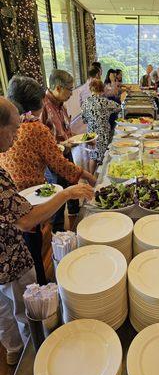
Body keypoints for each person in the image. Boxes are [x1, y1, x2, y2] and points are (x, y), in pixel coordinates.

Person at [0, 96, 93, 366]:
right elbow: (26, 220)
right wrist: (66, 194)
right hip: (9, 260)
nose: (17, 136)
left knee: (5, 313)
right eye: (14, 129)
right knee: (24, 311)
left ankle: (14, 352)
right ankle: (36, 359)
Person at [0, 76, 95, 284]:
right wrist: (83, 179)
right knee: (32, 249)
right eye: (14, 131)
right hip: (28, 202)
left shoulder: (21, 128)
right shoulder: (34, 128)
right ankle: (44, 285)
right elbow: (59, 165)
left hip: (18, 204)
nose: (16, 137)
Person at [41, 69, 81, 231]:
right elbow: (42, 141)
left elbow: (65, 130)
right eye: (70, 89)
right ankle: (58, 235)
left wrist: (77, 140)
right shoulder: (43, 106)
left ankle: (76, 217)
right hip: (52, 161)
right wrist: (64, 145)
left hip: (67, 152)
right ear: (58, 88)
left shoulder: (60, 105)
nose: (72, 93)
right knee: (58, 195)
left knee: (72, 185)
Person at [82, 79, 121, 173]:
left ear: (91, 89)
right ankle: (102, 176)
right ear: (102, 89)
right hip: (103, 132)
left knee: (92, 155)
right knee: (104, 155)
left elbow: (84, 120)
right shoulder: (104, 102)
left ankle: (91, 178)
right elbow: (119, 107)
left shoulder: (85, 102)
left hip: (90, 133)